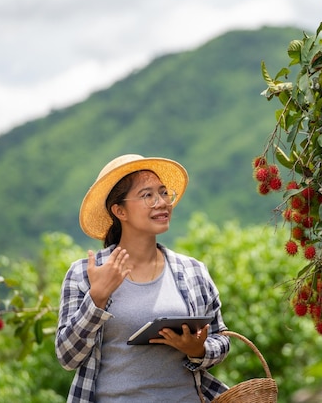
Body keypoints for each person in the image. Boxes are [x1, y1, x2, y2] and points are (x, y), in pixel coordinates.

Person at [55, 154, 230, 402]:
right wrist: (97, 297)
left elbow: (222, 339)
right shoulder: (84, 274)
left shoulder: (193, 271)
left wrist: (198, 349)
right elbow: (67, 357)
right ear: (119, 211)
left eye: (163, 192)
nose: (161, 203)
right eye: (147, 195)